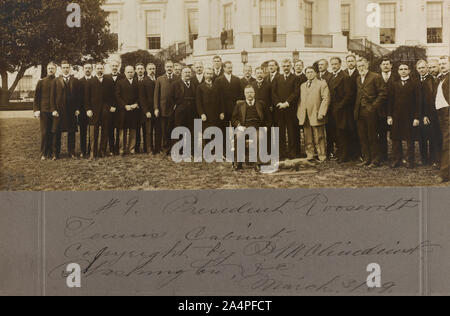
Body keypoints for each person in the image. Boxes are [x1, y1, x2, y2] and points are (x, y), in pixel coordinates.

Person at [387, 63, 421, 169]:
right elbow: (390, 102)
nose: (403, 71)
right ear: (398, 71)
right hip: (396, 116)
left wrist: (416, 117)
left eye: (405, 69)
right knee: (396, 139)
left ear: (409, 71)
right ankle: (397, 160)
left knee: (410, 139)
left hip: (410, 117)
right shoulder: (394, 84)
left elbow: (418, 102)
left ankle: (410, 161)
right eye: (401, 69)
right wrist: (389, 116)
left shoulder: (415, 84)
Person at [354, 58, 387, 168]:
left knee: (372, 136)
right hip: (360, 112)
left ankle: (375, 160)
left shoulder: (375, 77)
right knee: (362, 136)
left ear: (367, 65)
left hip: (371, 112)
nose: (361, 68)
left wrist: (373, 107)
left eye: (362, 65)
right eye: (359, 66)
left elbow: (383, 94)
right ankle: (366, 158)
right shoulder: (358, 78)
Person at [231, 85, 272, 171]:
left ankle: (258, 163)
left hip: (257, 128)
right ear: (244, 94)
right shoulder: (239, 105)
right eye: (247, 92)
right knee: (238, 137)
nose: (249, 94)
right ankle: (238, 163)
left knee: (259, 137)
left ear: (254, 93)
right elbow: (233, 119)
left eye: (251, 92)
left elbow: (269, 119)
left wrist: (265, 128)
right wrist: (239, 126)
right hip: (244, 128)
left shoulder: (261, 104)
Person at [297, 67, 330, 162]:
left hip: (316, 114)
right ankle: (310, 155)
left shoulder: (322, 84)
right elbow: (300, 101)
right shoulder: (303, 85)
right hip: (305, 115)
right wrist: (300, 113)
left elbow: (326, 99)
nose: (309, 74)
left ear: (315, 73)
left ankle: (322, 156)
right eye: (307, 72)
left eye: (311, 72)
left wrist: (322, 112)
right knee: (308, 137)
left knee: (319, 136)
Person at [50, 60, 79, 160]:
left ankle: (71, 152)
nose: (66, 69)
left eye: (67, 67)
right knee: (56, 133)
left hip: (71, 111)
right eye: (64, 68)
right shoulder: (56, 81)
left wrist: (77, 109)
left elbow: (79, 96)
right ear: (61, 69)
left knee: (71, 133)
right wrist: (53, 109)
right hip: (59, 111)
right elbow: (52, 96)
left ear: (69, 68)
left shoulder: (75, 80)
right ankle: (55, 154)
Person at [271, 58, 300, 159]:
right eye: (284, 66)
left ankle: (292, 153)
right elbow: (273, 92)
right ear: (281, 67)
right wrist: (278, 103)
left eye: (288, 66)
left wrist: (287, 103)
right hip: (279, 109)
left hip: (290, 109)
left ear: (291, 66)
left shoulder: (295, 78)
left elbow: (296, 92)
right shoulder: (277, 78)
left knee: (292, 132)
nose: (286, 68)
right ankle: (281, 153)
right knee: (280, 132)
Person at [85, 63, 115, 159]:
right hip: (93, 110)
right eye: (98, 68)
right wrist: (88, 109)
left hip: (106, 110)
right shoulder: (90, 81)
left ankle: (102, 151)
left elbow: (113, 94)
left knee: (105, 131)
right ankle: (93, 152)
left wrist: (112, 106)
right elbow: (86, 97)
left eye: (101, 68)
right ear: (95, 69)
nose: (100, 70)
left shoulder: (109, 80)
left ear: (104, 69)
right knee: (94, 132)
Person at [328, 57, 354, 163]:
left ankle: (344, 155)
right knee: (336, 132)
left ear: (340, 64)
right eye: (332, 64)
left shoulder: (345, 77)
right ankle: (339, 152)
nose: (334, 66)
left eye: (336, 64)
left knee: (342, 132)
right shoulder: (331, 76)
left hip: (342, 110)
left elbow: (349, 95)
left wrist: (339, 106)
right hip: (332, 109)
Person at [417, 59, 442, 167]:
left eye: (424, 67)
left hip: (433, 113)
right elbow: (419, 100)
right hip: (422, 113)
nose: (422, 70)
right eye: (419, 68)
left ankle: (434, 158)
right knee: (421, 137)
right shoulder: (415, 80)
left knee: (433, 136)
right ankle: (424, 159)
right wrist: (422, 115)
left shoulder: (432, 80)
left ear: (426, 68)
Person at [33, 62, 57, 160]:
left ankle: (52, 153)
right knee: (44, 132)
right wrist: (36, 110)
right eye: (49, 68)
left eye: (52, 68)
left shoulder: (58, 81)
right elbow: (36, 98)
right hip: (44, 111)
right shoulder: (41, 82)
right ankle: (43, 153)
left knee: (53, 132)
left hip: (55, 111)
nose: (50, 70)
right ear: (47, 69)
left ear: (55, 69)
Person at [172, 67, 197, 155]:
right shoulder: (176, 84)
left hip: (191, 112)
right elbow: (171, 98)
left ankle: (191, 150)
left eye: (189, 72)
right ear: (181, 73)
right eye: (185, 72)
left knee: (191, 131)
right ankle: (179, 149)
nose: (187, 74)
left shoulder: (193, 84)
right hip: (180, 111)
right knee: (180, 130)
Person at [116, 65, 140, 155]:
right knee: (123, 131)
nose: (130, 73)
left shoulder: (137, 82)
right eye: (128, 72)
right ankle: (122, 149)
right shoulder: (120, 82)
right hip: (124, 110)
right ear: (125, 73)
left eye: (131, 72)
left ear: (134, 72)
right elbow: (117, 96)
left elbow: (140, 96)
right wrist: (125, 106)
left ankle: (131, 149)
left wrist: (136, 104)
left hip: (134, 110)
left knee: (133, 130)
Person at [154, 60, 177, 154]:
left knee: (173, 129)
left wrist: (177, 105)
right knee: (164, 130)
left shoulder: (178, 78)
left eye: (171, 66)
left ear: (173, 68)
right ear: (165, 68)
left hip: (174, 109)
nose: (169, 68)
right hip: (163, 109)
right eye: (167, 67)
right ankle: (165, 149)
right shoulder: (160, 79)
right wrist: (156, 108)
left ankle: (173, 149)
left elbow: (180, 94)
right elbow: (156, 95)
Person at [215, 61, 243, 136]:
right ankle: (225, 146)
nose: (230, 69)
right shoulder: (218, 80)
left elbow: (241, 93)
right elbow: (216, 96)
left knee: (237, 127)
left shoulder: (237, 79)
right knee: (224, 128)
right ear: (224, 68)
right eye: (228, 68)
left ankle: (237, 145)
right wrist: (220, 110)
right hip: (223, 108)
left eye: (231, 67)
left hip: (235, 108)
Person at [344, 54, 361, 161]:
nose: (350, 63)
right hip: (346, 106)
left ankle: (358, 153)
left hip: (357, 105)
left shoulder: (359, 72)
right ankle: (349, 152)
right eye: (348, 61)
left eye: (352, 61)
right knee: (348, 129)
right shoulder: (344, 73)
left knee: (357, 129)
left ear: (355, 62)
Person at [196, 67, 224, 132]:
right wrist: (202, 114)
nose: (209, 75)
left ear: (213, 75)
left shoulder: (218, 86)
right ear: (204, 74)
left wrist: (222, 112)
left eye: (211, 74)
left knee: (217, 134)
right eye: (207, 73)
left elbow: (221, 100)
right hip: (206, 115)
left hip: (216, 114)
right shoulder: (200, 87)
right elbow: (198, 102)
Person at [379, 59, 396, 162]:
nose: (385, 66)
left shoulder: (396, 77)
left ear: (391, 66)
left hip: (394, 110)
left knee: (394, 134)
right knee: (381, 134)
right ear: (380, 66)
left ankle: (396, 156)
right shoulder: (376, 77)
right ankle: (383, 156)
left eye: (387, 64)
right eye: (383, 64)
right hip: (380, 111)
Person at [436, 56, 450, 183]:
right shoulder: (440, 78)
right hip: (442, 114)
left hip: (448, 113)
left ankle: (444, 174)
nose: (442, 65)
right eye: (440, 63)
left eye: (444, 63)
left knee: (447, 144)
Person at [138, 63, 157, 155]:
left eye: (153, 69)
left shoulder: (157, 80)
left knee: (157, 130)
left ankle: (156, 148)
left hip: (156, 110)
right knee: (148, 131)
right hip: (148, 111)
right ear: (146, 70)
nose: (152, 70)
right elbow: (142, 98)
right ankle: (148, 148)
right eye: (150, 69)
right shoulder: (143, 81)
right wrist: (146, 111)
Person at [107, 60, 124, 155]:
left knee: (119, 128)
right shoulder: (106, 77)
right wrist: (110, 106)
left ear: (119, 67)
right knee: (110, 128)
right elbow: (105, 94)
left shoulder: (122, 77)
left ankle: (118, 147)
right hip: (109, 108)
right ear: (110, 66)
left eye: (116, 66)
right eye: (113, 65)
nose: (114, 67)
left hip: (120, 108)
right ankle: (111, 149)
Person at [77, 63, 92, 158]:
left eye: (89, 68)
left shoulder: (95, 80)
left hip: (92, 111)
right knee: (83, 132)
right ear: (83, 69)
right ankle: (83, 150)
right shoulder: (79, 82)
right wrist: (78, 109)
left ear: (92, 69)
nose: (87, 70)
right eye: (86, 68)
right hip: (82, 111)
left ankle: (91, 150)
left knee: (92, 132)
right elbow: (77, 97)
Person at [135, 63, 147, 153]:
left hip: (145, 109)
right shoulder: (133, 80)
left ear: (144, 70)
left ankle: (146, 147)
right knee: (136, 129)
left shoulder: (148, 80)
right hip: (135, 109)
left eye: (141, 69)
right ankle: (137, 147)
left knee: (146, 129)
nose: (140, 70)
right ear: (135, 70)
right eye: (138, 69)